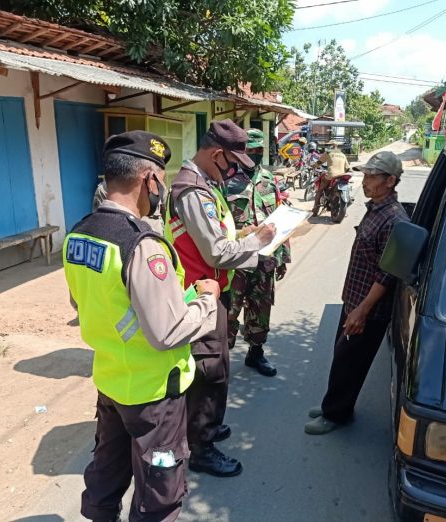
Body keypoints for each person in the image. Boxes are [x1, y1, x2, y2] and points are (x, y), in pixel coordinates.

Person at [63, 130, 220, 521]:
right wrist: (206, 300)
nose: (162, 189)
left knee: (108, 467)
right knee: (159, 486)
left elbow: (85, 303)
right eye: (161, 179)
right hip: (153, 394)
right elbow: (167, 333)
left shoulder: (78, 233)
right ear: (149, 179)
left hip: (111, 380)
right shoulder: (142, 244)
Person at [164, 119, 276, 477]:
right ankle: (201, 446)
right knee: (210, 371)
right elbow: (214, 252)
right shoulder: (193, 191)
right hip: (201, 294)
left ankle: (204, 425)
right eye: (232, 163)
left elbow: (214, 236)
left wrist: (242, 234)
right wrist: (256, 242)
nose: (233, 171)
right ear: (216, 155)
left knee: (212, 367)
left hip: (211, 290)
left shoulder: (204, 185)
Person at [304, 150, 408, 435]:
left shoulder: (394, 220)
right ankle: (335, 404)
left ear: (390, 180)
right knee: (341, 356)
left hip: (368, 309)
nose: (365, 181)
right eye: (365, 175)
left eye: (372, 177)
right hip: (354, 299)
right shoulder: (376, 209)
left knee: (350, 362)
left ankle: (335, 414)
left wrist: (362, 311)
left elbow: (386, 274)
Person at [225, 128, 291, 377]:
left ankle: (255, 352)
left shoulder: (269, 179)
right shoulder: (226, 180)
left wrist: (283, 256)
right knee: (229, 309)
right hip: (236, 258)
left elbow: (280, 219)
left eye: (259, 150)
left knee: (261, 307)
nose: (255, 154)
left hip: (265, 258)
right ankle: (221, 358)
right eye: (250, 150)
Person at [93, 178, 165, 234]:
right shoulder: (105, 188)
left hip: (154, 238)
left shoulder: (157, 185)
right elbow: (99, 220)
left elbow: (164, 213)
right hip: (123, 240)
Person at [311, 141, 351, 216]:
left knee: (320, 190)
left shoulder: (328, 152)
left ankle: (315, 209)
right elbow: (348, 168)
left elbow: (319, 162)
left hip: (331, 175)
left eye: (329, 145)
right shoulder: (342, 155)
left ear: (332, 146)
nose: (328, 146)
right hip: (341, 176)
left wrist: (313, 166)